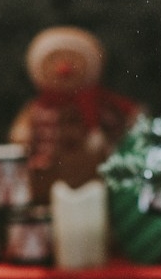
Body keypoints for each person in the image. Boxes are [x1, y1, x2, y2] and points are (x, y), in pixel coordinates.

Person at [8, 27, 145, 203]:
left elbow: (122, 126)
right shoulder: (39, 108)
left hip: (92, 170)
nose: (63, 68)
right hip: (47, 168)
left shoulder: (97, 105)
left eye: (73, 60)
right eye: (54, 60)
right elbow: (22, 133)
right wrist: (22, 138)